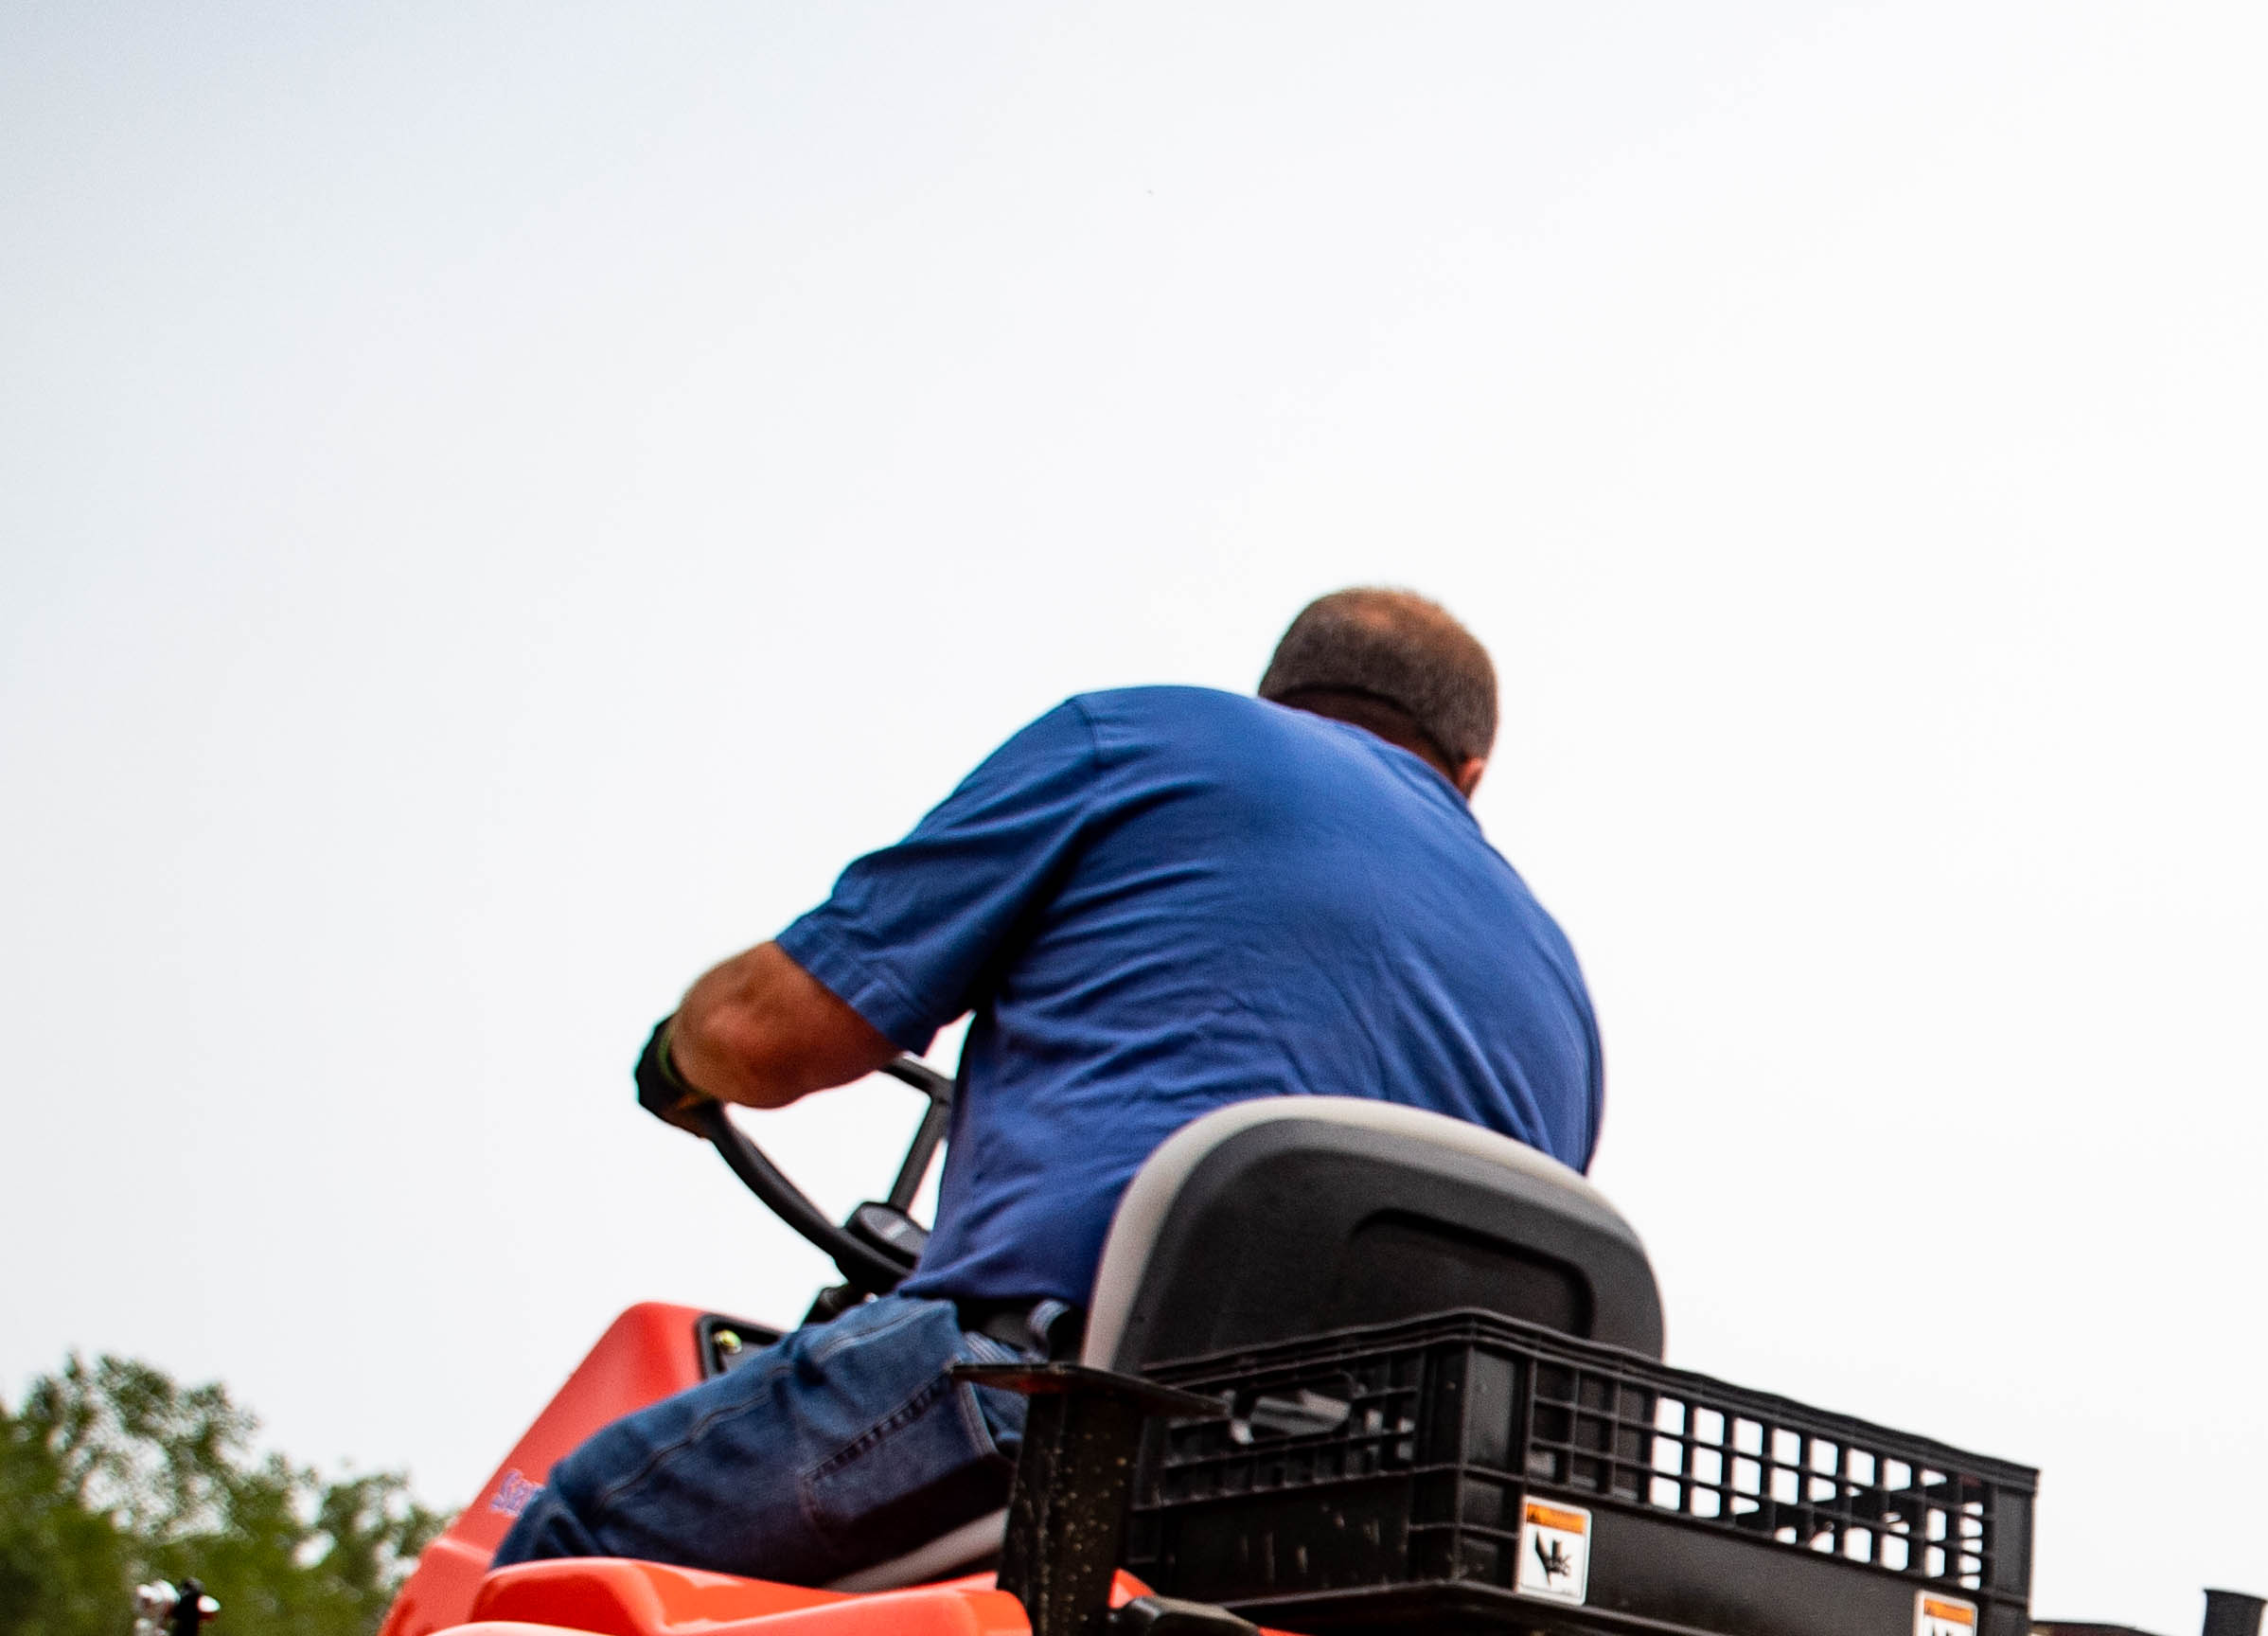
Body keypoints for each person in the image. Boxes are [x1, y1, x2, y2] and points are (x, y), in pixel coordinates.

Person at [498, 587, 1602, 1580]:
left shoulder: (1152, 740)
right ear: (1467, 774)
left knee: (567, 1550)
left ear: (1277, 697)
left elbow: (762, 1034)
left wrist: (681, 1060)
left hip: (1058, 1405)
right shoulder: (1563, 989)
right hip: (1382, 1518)